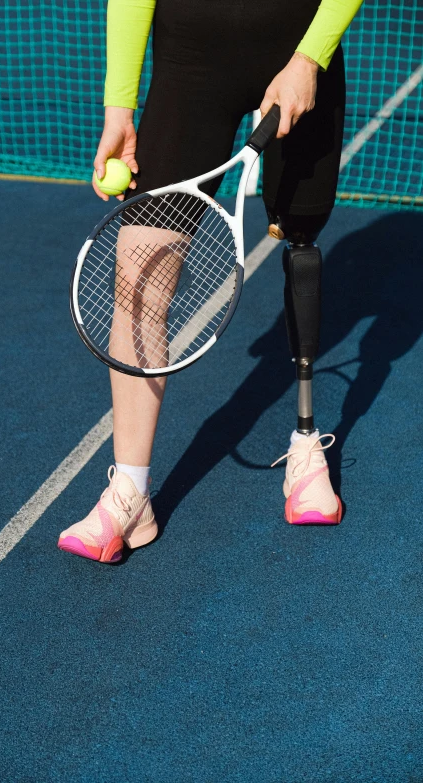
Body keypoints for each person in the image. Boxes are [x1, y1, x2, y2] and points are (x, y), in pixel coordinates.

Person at [58, 0, 363, 563]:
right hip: (192, 64)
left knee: (300, 239)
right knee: (139, 266)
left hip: (297, 50)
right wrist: (118, 106)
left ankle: (305, 447)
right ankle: (130, 492)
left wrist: (309, 59)